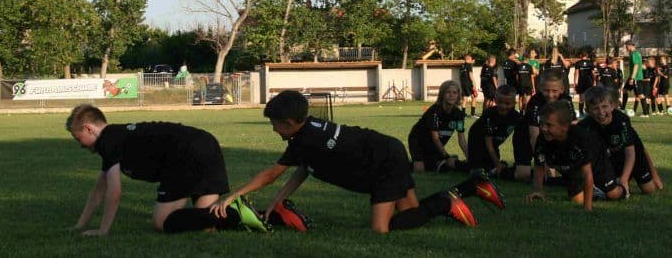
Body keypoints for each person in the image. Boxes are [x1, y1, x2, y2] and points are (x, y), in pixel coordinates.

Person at [210, 90, 506, 233]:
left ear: (288, 123)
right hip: (387, 150)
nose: (273, 129)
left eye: (274, 124)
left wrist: (233, 195)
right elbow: (304, 169)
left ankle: (447, 201)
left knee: (382, 229)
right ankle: (472, 187)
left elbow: (271, 174)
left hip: (383, 163)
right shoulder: (307, 131)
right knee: (412, 214)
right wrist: (277, 202)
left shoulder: (304, 139)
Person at [64, 104, 271, 235]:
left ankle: (235, 213)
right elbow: (99, 190)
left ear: (89, 128)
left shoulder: (107, 140)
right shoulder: (115, 138)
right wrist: (80, 225)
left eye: (77, 138)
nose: (80, 145)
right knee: (206, 222)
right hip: (206, 142)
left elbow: (114, 192)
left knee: (161, 222)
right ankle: (270, 214)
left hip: (184, 154)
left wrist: (103, 230)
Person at [525, 101, 626, 211]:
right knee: (577, 199)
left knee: (613, 194)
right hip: (573, 165)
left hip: (596, 160)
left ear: (564, 127)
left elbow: (587, 174)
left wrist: (587, 207)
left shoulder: (579, 138)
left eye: (549, 125)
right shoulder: (542, 138)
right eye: (541, 123)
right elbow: (539, 165)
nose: (543, 128)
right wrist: (538, 191)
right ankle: (594, 191)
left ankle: (623, 188)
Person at [579, 86, 664, 194]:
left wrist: (624, 179)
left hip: (634, 157)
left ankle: (634, 176)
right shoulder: (585, 126)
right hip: (612, 159)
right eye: (595, 108)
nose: (601, 112)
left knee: (649, 189)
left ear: (612, 106)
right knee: (610, 187)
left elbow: (632, 152)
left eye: (604, 106)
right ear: (587, 111)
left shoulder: (622, 121)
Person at [512, 70, 574, 182]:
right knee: (523, 175)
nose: (550, 95)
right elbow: (534, 135)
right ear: (540, 88)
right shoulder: (535, 102)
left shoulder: (566, 101)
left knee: (564, 173)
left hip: (549, 136)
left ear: (562, 89)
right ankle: (502, 170)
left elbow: (573, 128)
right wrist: (542, 163)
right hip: (525, 137)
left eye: (554, 91)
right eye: (546, 90)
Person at [408, 80, 469, 173]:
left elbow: (462, 140)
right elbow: (436, 138)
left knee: (444, 165)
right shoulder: (434, 112)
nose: (451, 95)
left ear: (458, 96)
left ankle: (441, 162)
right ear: (442, 95)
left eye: (455, 92)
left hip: (435, 145)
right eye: (448, 92)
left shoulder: (459, 115)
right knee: (419, 169)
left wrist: (471, 159)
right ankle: (399, 164)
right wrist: (447, 157)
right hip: (418, 142)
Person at [466, 85, 521, 178]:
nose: (503, 106)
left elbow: (519, 140)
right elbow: (488, 142)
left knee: (493, 166)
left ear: (514, 103)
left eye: (507, 103)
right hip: (477, 140)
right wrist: (497, 163)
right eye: (500, 102)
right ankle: (453, 163)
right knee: (479, 170)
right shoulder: (489, 114)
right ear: (495, 100)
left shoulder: (516, 117)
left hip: (494, 143)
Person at [622, 40, 644, 117]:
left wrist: (632, 78)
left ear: (630, 45)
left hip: (636, 77)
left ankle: (646, 113)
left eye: (626, 46)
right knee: (625, 90)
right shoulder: (633, 54)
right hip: (633, 77)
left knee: (640, 95)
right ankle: (622, 108)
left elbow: (636, 66)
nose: (626, 48)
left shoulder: (635, 54)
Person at [573, 50, 596, 118]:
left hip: (581, 82)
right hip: (589, 82)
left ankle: (581, 113)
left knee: (581, 98)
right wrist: (594, 81)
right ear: (587, 56)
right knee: (589, 97)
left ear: (581, 55)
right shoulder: (590, 63)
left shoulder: (578, 63)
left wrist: (575, 82)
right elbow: (593, 73)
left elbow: (576, 73)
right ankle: (589, 112)